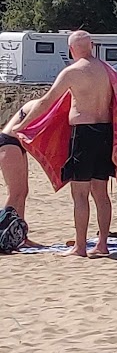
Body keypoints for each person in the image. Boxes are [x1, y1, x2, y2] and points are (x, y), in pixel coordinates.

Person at [22, 30, 117, 257]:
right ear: (91, 46)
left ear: (71, 49)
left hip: (83, 134)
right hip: (104, 133)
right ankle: (102, 244)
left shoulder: (72, 72)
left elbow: (46, 102)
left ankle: (80, 246)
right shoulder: (107, 71)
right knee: (101, 193)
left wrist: (22, 124)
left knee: (80, 193)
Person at [1, 99, 39, 244]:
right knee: (15, 192)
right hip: (9, 142)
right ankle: (2, 231)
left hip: (16, 144)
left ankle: (21, 235)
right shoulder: (39, 104)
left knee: (23, 192)